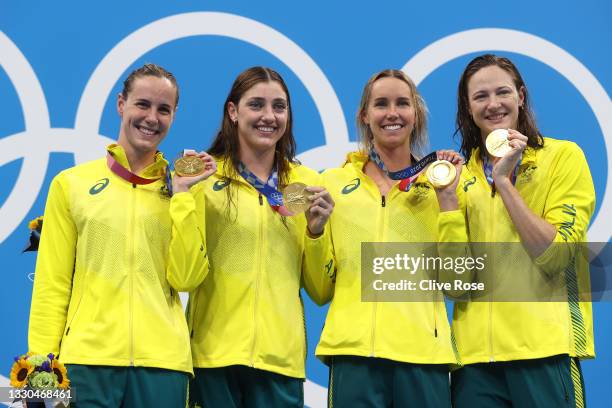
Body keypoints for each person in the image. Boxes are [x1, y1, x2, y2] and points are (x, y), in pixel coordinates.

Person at [28, 63, 216, 407]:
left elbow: (186, 278)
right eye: (142, 104)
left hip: (163, 366)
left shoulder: (184, 190)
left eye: (164, 109)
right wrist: (41, 366)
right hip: (87, 363)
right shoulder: (71, 185)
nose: (151, 118)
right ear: (121, 104)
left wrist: (185, 196)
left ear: (174, 115)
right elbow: (51, 284)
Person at [450, 54, 595, 407]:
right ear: (468, 108)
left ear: (521, 96)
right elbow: (455, 280)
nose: (493, 104)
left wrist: (504, 182)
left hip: (545, 351)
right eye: (480, 96)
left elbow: (554, 255)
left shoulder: (563, 157)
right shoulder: (457, 177)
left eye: (502, 92)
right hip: (474, 362)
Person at [315, 69, 465, 407]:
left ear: (416, 114)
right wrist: (314, 233)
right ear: (365, 116)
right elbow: (321, 288)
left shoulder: (443, 182)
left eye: (402, 103)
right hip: (353, 356)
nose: (392, 113)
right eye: (381, 104)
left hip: (424, 356)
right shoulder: (333, 184)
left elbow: (457, 280)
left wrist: (448, 201)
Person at [187, 66, 334, 408]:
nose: (269, 116)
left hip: (279, 363)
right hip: (212, 359)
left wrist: (316, 231)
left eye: (279, 107)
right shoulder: (204, 180)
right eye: (256, 105)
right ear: (233, 111)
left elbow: (320, 290)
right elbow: (184, 274)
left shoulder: (305, 185)